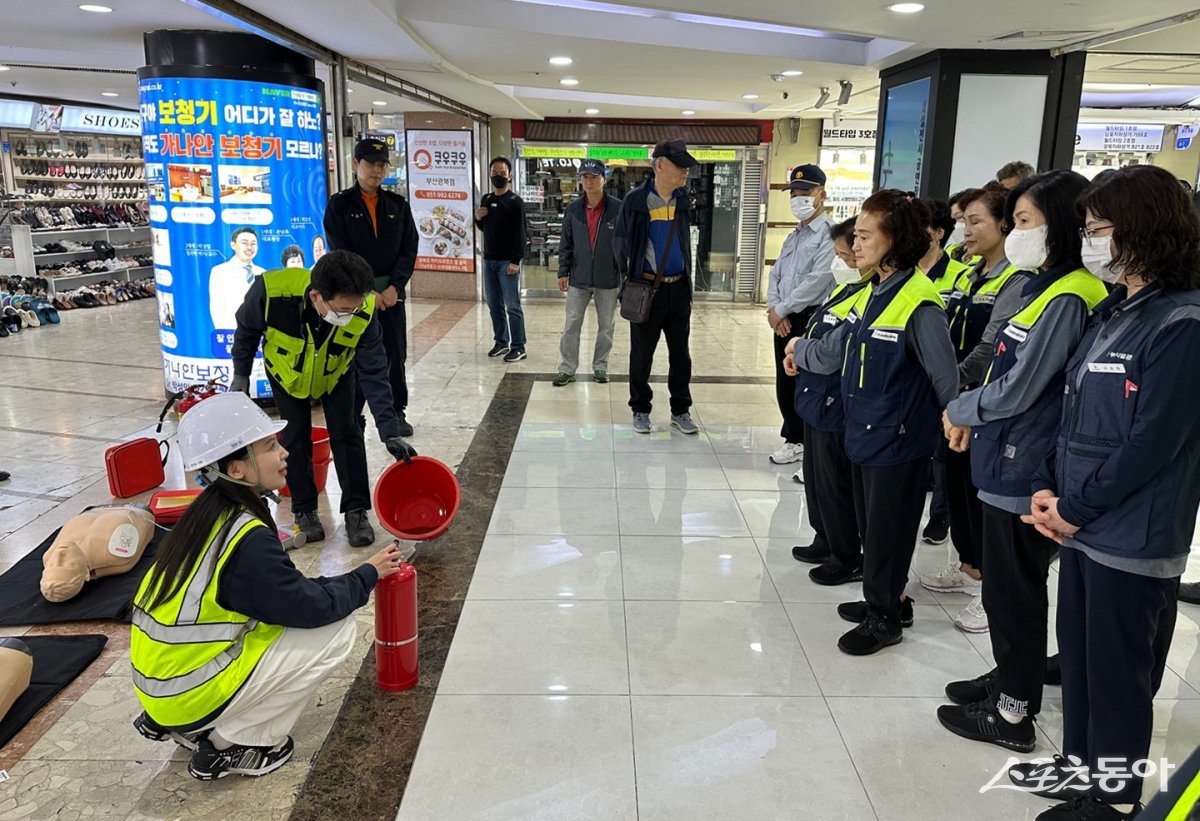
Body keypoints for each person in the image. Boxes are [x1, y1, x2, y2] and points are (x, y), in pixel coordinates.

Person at [1013, 165, 1200, 821]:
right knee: (1083, 661)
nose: (1090, 241)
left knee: (1119, 673)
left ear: (1142, 229)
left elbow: (1152, 443)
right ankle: (1080, 766)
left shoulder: (1182, 323)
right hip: (1085, 522)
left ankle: (1112, 798)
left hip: (1133, 531)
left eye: (1098, 229)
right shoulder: (1116, 310)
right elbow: (1076, 413)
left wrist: (1074, 506)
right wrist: (1052, 490)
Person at [130, 392, 405, 781]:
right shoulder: (246, 538)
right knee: (336, 629)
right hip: (184, 694)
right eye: (270, 446)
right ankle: (233, 744)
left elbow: (283, 594)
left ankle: (186, 725)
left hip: (160, 686)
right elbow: (311, 608)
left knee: (274, 622)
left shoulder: (204, 514)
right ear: (238, 469)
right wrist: (367, 575)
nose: (284, 452)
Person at [936, 170, 1108, 754]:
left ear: (1058, 224)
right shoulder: (1040, 285)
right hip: (1005, 451)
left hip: (1026, 463)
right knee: (1007, 590)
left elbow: (1023, 386)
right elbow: (1002, 362)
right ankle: (1011, 677)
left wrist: (961, 407)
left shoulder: (1069, 295)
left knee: (1014, 591)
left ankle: (1012, 713)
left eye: (1025, 221)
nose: (1015, 233)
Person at [786, 191, 958, 655]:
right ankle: (885, 600)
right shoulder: (878, 291)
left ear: (895, 239)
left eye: (864, 236)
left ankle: (885, 620)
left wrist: (955, 427)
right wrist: (801, 350)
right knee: (873, 528)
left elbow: (945, 378)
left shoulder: (919, 302)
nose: (855, 245)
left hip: (899, 439)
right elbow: (841, 348)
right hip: (866, 430)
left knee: (888, 533)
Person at [229, 250, 417, 547]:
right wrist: (241, 373)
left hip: (336, 373)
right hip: (287, 374)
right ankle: (304, 510)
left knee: (348, 432)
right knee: (294, 437)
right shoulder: (271, 290)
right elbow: (246, 331)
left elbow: (374, 372)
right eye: (342, 310)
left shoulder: (364, 309)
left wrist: (389, 431)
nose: (349, 316)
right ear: (316, 296)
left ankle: (356, 511)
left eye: (354, 308)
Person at [920, 184, 1026, 635]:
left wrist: (952, 382)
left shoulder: (1016, 280)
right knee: (957, 486)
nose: (965, 229)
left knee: (983, 497)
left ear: (1005, 224)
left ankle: (991, 590)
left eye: (975, 221)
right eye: (962, 221)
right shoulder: (966, 274)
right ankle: (969, 568)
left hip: (982, 402)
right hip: (956, 401)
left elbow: (990, 346)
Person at [789, 215, 869, 585]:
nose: (840, 263)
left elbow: (831, 353)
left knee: (835, 483)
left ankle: (845, 555)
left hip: (835, 402)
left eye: (846, 256)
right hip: (814, 398)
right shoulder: (844, 290)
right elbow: (817, 330)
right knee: (816, 480)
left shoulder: (868, 296)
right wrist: (798, 352)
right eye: (837, 255)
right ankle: (824, 538)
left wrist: (798, 349)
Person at [324, 137, 419, 439]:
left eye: (381, 165)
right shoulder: (340, 205)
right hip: (355, 296)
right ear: (356, 164)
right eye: (370, 164)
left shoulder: (397, 205)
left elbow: (409, 249)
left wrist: (395, 287)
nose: (376, 170)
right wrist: (365, 291)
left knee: (394, 354)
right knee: (355, 355)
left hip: (391, 297)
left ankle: (396, 411)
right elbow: (340, 251)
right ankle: (353, 412)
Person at [613, 139, 700, 435]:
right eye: (680, 166)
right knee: (642, 354)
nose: (685, 171)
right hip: (647, 290)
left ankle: (680, 410)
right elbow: (620, 245)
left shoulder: (682, 199)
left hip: (679, 289)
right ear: (660, 165)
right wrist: (630, 278)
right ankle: (640, 408)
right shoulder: (636, 201)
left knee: (681, 355)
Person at [765, 164, 836, 468]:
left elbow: (818, 280)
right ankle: (793, 439)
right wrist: (774, 309)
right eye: (794, 193)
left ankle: (809, 443)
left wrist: (782, 309)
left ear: (822, 195)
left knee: (808, 382)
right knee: (786, 380)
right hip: (784, 319)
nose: (798, 198)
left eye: (805, 192)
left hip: (810, 318)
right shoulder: (794, 235)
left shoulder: (830, 234)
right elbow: (776, 274)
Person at [916, 197, 974, 550]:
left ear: (938, 233)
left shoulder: (959, 276)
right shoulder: (904, 273)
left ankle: (941, 515)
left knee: (944, 451)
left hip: (947, 373)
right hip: (912, 378)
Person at [553, 158, 622, 387]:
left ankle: (601, 366)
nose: (589, 182)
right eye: (585, 177)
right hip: (578, 278)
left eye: (594, 177)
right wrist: (563, 272)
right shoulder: (573, 210)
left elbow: (625, 244)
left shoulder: (618, 209)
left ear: (604, 179)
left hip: (608, 278)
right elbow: (566, 243)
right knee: (571, 325)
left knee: (606, 327)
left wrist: (624, 271)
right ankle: (567, 368)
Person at [474, 156, 528, 363]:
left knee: (512, 306)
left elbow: (521, 233)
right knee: (494, 305)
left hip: (507, 261)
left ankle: (519, 346)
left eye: (502, 173)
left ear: (510, 175)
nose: (498, 176)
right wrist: (478, 218)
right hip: (489, 260)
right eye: (495, 172)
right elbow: (485, 227)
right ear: (490, 174)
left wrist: (516, 260)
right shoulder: (486, 199)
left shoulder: (515, 202)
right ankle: (501, 341)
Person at [209, 227, 265, 330]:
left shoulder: (262, 273)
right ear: (233, 245)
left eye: (253, 244)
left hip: (258, 332)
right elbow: (217, 307)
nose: (249, 247)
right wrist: (226, 333)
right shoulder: (220, 271)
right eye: (244, 243)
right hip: (231, 331)